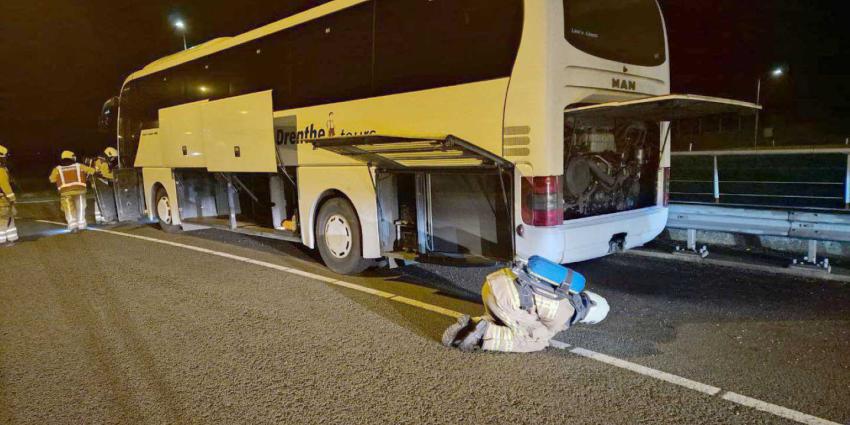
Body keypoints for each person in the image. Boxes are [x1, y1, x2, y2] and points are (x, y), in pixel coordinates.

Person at [443, 256, 610, 353]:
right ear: (588, 318)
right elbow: (538, 332)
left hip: (493, 284)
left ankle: (472, 325)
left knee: (521, 320)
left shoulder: (564, 290)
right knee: (538, 340)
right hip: (504, 300)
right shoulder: (566, 315)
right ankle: (483, 334)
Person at [49, 151, 95, 232]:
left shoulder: (57, 169)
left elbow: (52, 179)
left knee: (69, 209)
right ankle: (81, 224)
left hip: (65, 192)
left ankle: (73, 225)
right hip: (79, 190)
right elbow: (92, 171)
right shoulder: (79, 166)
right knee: (81, 207)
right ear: (71, 157)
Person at [91, 147, 118, 224]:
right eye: (113, 157)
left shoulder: (98, 160)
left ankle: (99, 218)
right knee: (103, 199)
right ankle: (106, 218)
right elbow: (105, 174)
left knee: (98, 200)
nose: (113, 159)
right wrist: (115, 176)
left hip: (96, 183)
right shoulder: (104, 163)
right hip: (100, 184)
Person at [0, 145, 19, 246]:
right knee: (4, 218)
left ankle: (11, 237)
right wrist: (12, 197)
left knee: (9, 217)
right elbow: (5, 185)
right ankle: (2, 241)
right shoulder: (1, 170)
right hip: (2, 199)